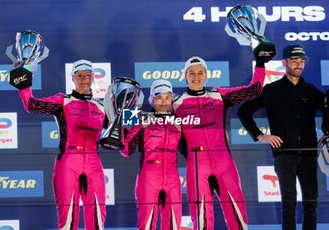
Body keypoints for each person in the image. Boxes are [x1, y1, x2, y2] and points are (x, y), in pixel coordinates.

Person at [173, 50, 272, 229]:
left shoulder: (220, 95)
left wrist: (259, 64)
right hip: (197, 166)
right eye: (192, 73)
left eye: (200, 72)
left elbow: (254, 90)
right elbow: (149, 118)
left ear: (206, 75)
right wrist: (120, 114)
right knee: (201, 215)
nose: (196, 77)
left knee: (236, 210)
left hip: (223, 162)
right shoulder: (175, 103)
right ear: (185, 76)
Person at [238, 44, 326, 230]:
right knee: (289, 204)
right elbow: (244, 111)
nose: (299, 65)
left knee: (311, 204)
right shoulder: (272, 90)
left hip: (310, 154)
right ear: (284, 62)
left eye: (301, 61)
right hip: (284, 155)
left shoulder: (310, 90)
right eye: (294, 61)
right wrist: (260, 135)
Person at [12, 59, 107, 230]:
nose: (84, 79)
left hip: (94, 165)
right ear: (72, 78)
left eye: (88, 75)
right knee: (68, 221)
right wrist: (23, 77)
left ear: (93, 78)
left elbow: (120, 136)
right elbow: (32, 105)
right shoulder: (63, 101)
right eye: (80, 76)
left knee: (97, 221)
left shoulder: (102, 107)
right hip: (68, 164)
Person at [120, 79, 183, 230]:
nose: (163, 101)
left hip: (173, 177)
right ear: (152, 99)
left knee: (174, 225)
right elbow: (126, 150)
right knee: (146, 225)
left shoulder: (179, 121)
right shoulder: (141, 117)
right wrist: (126, 128)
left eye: (167, 97)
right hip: (148, 176)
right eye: (159, 97)